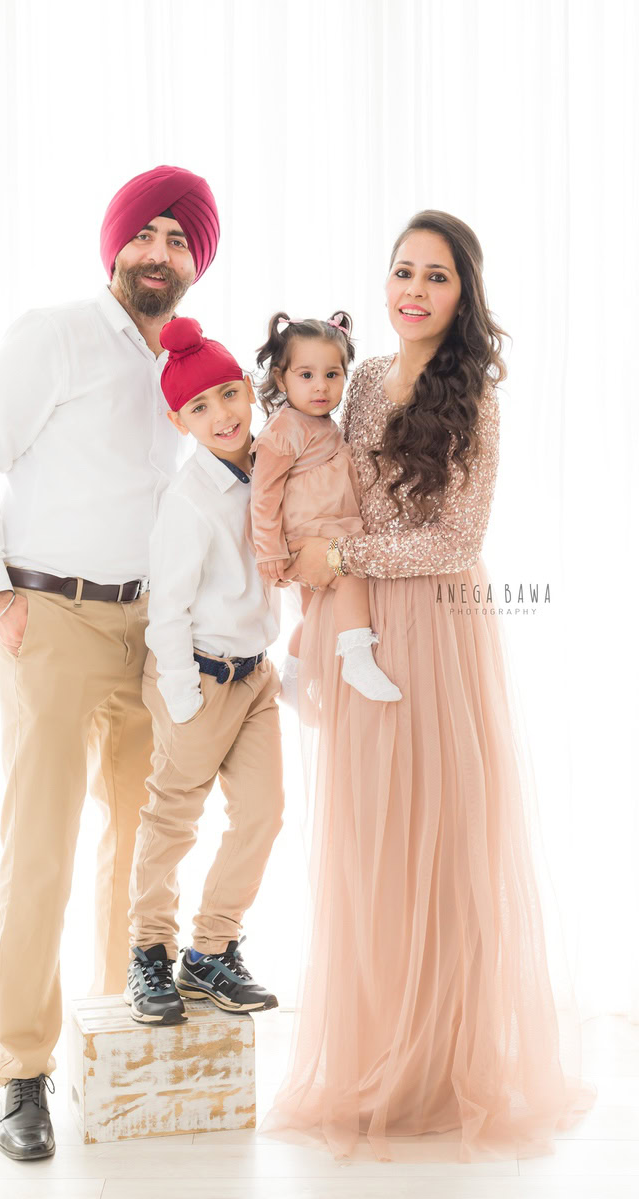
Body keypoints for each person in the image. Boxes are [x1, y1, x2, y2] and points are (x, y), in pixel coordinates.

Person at [261, 211, 597, 1162]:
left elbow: (458, 538)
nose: (413, 289)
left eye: (436, 276)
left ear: (463, 294)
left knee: (445, 843)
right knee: (370, 839)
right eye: (403, 270)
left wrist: (342, 555)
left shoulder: (475, 398)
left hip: (441, 627)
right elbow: (326, 485)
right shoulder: (361, 378)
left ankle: (445, 1064)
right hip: (360, 622)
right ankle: (379, 1056)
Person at [0, 165, 220, 1160]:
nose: (158, 253)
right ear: (114, 246)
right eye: (145, 233)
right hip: (51, 618)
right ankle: (22, 1069)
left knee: (141, 851)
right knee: (42, 848)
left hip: (151, 629)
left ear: (195, 263)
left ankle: (115, 1048)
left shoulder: (184, 365)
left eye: (178, 240)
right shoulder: (54, 334)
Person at [123, 316, 284, 1025]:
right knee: (173, 819)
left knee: (263, 813)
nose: (221, 414)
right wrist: (184, 698)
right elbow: (168, 610)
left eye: (228, 394)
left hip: (256, 678)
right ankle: (149, 951)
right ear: (179, 422)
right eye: (199, 407)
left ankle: (211, 949)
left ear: (248, 389)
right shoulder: (189, 501)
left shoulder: (271, 466)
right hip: (198, 676)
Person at [251, 310, 401, 704]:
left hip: (327, 530)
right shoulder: (284, 428)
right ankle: (357, 657)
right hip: (307, 538)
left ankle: (293, 679)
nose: (321, 386)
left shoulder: (325, 424)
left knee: (317, 616)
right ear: (281, 379)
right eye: (306, 375)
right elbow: (264, 493)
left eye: (332, 375)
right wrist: (269, 550)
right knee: (350, 575)